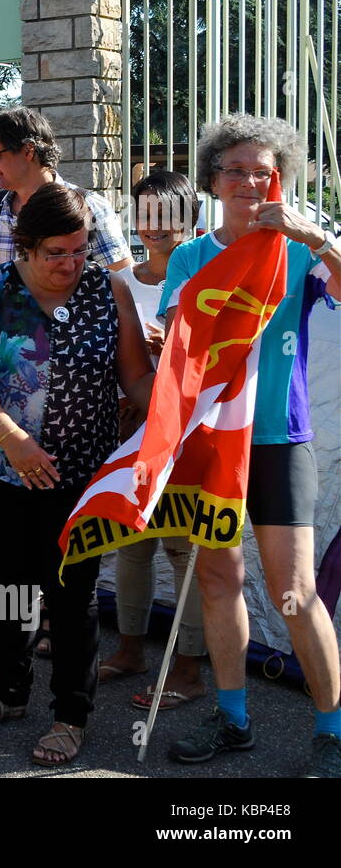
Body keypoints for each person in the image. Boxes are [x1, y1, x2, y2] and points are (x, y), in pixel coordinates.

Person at [160, 115, 341, 777]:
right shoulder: (189, 256)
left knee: (294, 588)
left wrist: (314, 235)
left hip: (280, 438)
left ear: (280, 180)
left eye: (262, 171)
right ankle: (233, 719)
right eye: (235, 169)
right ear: (212, 179)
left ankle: (332, 731)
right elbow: (178, 349)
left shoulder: (299, 252)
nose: (248, 181)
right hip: (212, 440)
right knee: (217, 578)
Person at [0, 184, 154, 765]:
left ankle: (71, 714)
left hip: (82, 476)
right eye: (55, 254)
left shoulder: (109, 289)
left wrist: (176, 407)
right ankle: (7, 692)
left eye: (79, 250)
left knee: (73, 597)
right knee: (11, 586)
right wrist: (13, 441)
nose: (69, 265)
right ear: (26, 248)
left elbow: (134, 379)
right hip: (5, 469)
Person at [0, 107, 133, 646]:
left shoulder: (86, 208)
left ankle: (55, 629)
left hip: (78, 429)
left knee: (70, 573)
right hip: (5, 406)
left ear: (28, 150)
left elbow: (115, 285)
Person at [98, 171, 206, 710]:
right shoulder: (120, 281)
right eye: (144, 214)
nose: (154, 227)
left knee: (184, 550)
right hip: (130, 434)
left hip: (187, 435)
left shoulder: (206, 274)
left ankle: (188, 668)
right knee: (131, 547)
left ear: (190, 217)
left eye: (166, 214)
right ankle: (130, 650)